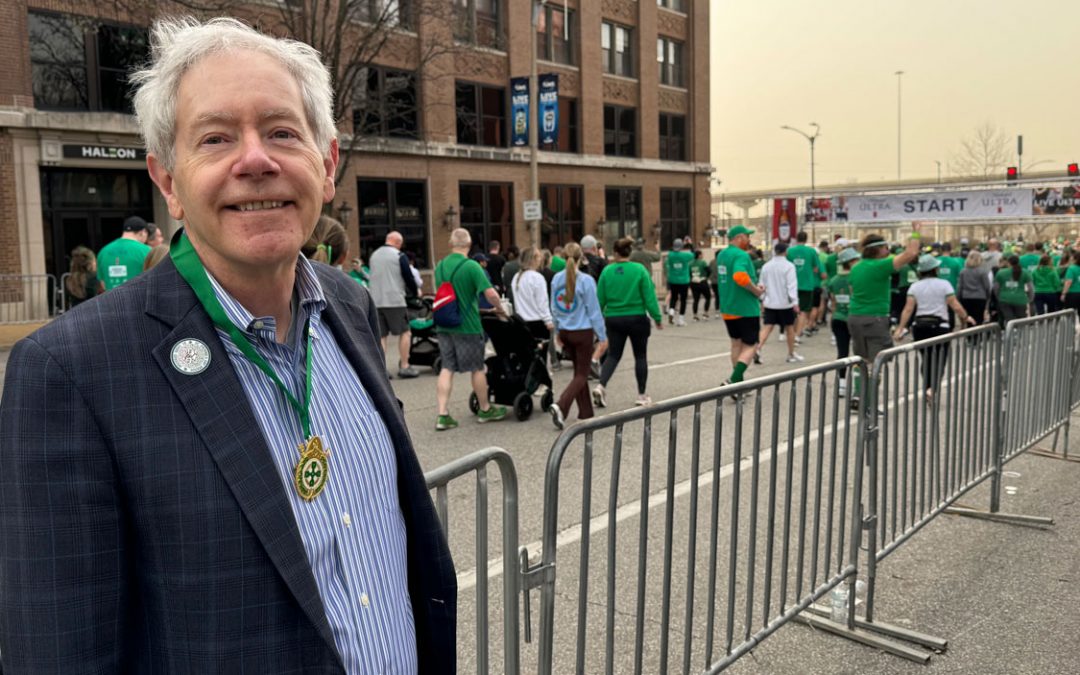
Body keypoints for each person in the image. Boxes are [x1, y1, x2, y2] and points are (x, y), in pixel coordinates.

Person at [0, 17, 455, 672]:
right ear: (167, 181)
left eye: (281, 132)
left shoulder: (349, 306)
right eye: (216, 138)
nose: (256, 159)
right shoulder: (70, 373)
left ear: (325, 165)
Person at [434, 228, 508, 430]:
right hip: (468, 326)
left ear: (451, 243)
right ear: (468, 244)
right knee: (477, 368)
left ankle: (442, 414)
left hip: (444, 324)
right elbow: (491, 294)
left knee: (447, 368)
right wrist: (500, 309)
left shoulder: (440, 266)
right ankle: (485, 409)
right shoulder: (472, 266)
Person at [593, 236, 663, 409]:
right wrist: (657, 317)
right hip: (637, 317)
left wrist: (598, 318)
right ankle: (641, 394)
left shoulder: (607, 271)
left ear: (614, 253)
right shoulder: (639, 270)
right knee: (640, 356)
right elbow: (649, 296)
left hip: (614, 318)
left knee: (613, 355)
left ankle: (601, 385)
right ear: (629, 252)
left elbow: (599, 299)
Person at [893, 255, 977, 399]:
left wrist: (900, 328)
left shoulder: (915, 286)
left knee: (926, 358)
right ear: (935, 269)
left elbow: (908, 309)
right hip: (940, 326)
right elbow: (954, 305)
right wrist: (965, 317)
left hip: (920, 326)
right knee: (940, 359)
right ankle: (933, 388)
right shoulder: (944, 284)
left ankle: (927, 386)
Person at [847, 228, 920, 384]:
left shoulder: (856, 267)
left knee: (861, 359)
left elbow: (852, 291)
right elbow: (911, 254)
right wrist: (915, 232)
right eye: (885, 247)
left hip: (854, 317)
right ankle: (868, 404)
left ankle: (857, 394)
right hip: (875, 319)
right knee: (876, 362)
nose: (888, 250)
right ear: (877, 249)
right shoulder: (880, 266)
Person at [549, 242, 607, 428]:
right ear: (581, 258)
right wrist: (602, 335)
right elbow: (594, 310)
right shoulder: (586, 281)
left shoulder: (556, 280)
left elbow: (554, 308)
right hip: (582, 331)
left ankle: (585, 412)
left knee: (577, 372)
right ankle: (561, 405)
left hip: (566, 331)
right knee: (582, 373)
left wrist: (557, 331)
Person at [716, 225, 764, 385]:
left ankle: (738, 385)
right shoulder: (741, 256)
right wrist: (756, 290)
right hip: (745, 308)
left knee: (736, 344)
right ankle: (734, 380)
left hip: (728, 307)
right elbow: (740, 277)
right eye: (747, 236)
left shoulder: (722, 254)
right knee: (751, 345)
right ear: (738, 238)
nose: (749, 239)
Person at [369, 231, 421, 379]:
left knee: (381, 336)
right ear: (398, 242)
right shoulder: (399, 256)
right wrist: (415, 292)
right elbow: (408, 277)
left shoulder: (374, 255)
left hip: (376, 300)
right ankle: (404, 366)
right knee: (405, 332)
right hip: (395, 301)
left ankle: (382, 370)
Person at [757, 241, 802, 363]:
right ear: (786, 252)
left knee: (767, 327)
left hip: (770, 302)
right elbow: (791, 285)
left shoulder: (766, 266)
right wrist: (795, 302)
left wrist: (762, 300)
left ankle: (758, 348)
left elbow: (761, 285)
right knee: (790, 328)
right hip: (785, 303)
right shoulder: (789, 266)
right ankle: (791, 353)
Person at [829, 247, 860, 396]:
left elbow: (833, 302)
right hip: (853, 318)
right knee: (858, 353)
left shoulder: (834, 280)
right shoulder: (855, 278)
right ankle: (856, 386)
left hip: (837, 319)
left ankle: (841, 385)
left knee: (842, 352)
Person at [96, 214, 152, 291]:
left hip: (112, 300)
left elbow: (103, 283)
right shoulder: (147, 250)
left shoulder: (103, 252)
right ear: (143, 232)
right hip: (138, 300)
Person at [511, 246, 554, 342]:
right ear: (533, 259)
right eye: (538, 257)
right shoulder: (537, 278)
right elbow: (542, 303)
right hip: (537, 323)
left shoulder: (516, 277)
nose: (541, 260)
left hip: (521, 323)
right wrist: (548, 320)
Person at [786, 231, 825, 338]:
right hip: (807, 285)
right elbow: (818, 267)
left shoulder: (790, 251)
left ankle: (792, 332)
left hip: (792, 285)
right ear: (806, 239)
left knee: (792, 310)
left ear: (796, 239)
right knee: (803, 311)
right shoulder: (811, 251)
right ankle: (797, 335)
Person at [994, 255, 1033, 324]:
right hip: (1020, 299)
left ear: (1008, 263)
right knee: (1020, 321)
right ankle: (1020, 334)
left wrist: (999, 297)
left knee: (1009, 320)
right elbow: (1030, 288)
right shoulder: (1025, 272)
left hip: (1004, 299)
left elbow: (996, 288)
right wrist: (1030, 298)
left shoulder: (1001, 272)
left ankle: (1011, 333)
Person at [957, 250, 992, 325]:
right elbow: (987, 286)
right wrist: (988, 296)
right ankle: (977, 336)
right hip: (980, 298)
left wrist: (958, 298)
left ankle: (969, 335)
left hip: (966, 297)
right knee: (979, 319)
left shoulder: (963, 271)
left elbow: (960, 286)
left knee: (969, 319)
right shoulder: (982, 271)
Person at [664, 237, 693, 326]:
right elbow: (693, 254)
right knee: (683, 300)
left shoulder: (670, 255)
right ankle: (681, 320)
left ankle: (671, 312)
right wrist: (689, 244)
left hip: (673, 280)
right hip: (684, 281)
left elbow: (670, 253)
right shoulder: (685, 255)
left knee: (674, 298)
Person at [689, 248, 711, 321]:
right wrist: (706, 277)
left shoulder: (690, 263)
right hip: (702, 281)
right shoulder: (703, 262)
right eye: (701, 254)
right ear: (699, 255)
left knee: (696, 299)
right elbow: (709, 270)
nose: (702, 255)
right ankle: (705, 313)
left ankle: (695, 315)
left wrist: (691, 279)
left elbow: (688, 273)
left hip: (694, 282)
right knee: (708, 297)